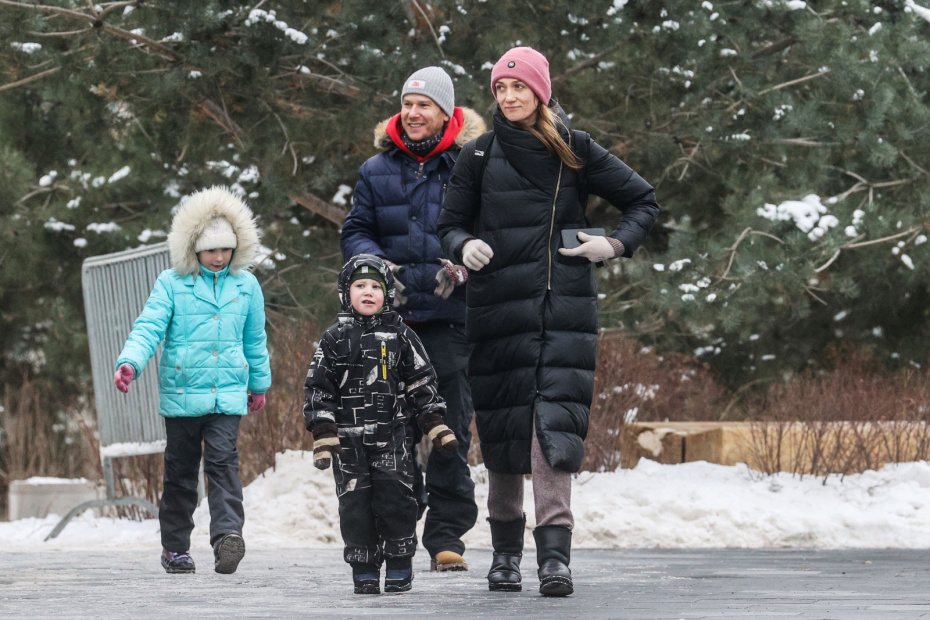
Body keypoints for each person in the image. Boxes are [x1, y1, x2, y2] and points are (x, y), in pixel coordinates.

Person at [437, 47, 660, 597]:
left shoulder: (575, 148)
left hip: (564, 311)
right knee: (502, 429)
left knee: (551, 429)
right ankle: (505, 557)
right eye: (501, 88)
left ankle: (555, 559)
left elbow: (643, 201)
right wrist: (463, 246)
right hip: (496, 309)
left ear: (541, 91)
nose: (509, 97)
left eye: (519, 87)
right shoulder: (478, 154)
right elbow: (449, 223)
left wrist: (613, 244)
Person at [340, 66, 486, 572]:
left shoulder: (472, 163)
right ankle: (401, 520)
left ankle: (446, 535)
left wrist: (464, 261)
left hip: (451, 317)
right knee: (390, 430)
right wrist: (377, 267)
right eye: (407, 103)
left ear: (445, 113)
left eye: (424, 105)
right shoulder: (375, 169)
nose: (413, 112)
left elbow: (487, 227)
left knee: (448, 427)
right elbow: (356, 230)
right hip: (392, 322)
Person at [113, 186, 271, 575]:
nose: (218, 257)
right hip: (181, 396)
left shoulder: (246, 286)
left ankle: (227, 537)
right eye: (210, 250)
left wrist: (259, 384)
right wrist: (131, 362)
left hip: (226, 396)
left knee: (223, 465)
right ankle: (175, 547)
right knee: (181, 474)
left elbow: (254, 340)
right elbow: (148, 327)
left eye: (226, 249)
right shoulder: (172, 283)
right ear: (193, 249)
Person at [303, 253, 460, 595]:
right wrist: (324, 430)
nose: (368, 292)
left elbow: (422, 381)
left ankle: (400, 562)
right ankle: (364, 567)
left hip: (392, 436)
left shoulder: (401, 335)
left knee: (397, 499)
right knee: (355, 504)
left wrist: (433, 421)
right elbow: (318, 387)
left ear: (387, 294)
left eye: (376, 286)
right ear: (346, 293)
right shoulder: (334, 338)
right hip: (349, 442)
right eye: (360, 285)